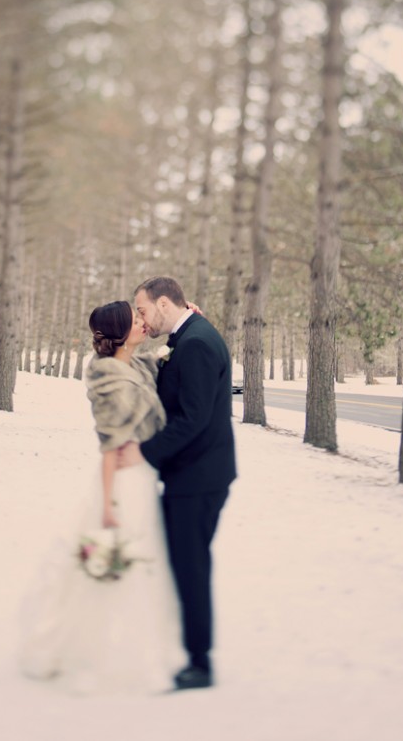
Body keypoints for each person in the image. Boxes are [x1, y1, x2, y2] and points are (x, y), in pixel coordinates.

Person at [19, 300, 182, 696]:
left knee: (143, 562)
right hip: (123, 484)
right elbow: (110, 446)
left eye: (142, 317)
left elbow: (155, 367)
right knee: (120, 559)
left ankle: (142, 643)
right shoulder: (109, 376)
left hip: (143, 478)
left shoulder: (132, 365)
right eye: (136, 320)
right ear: (121, 333)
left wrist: (177, 335)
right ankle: (98, 652)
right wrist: (108, 504)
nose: (144, 323)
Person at [119, 276, 237, 691]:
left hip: (199, 478)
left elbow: (194, 418)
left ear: (165, 304)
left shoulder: (198, 343)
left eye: (144, 309)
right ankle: (189, 650)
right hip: (190, 475)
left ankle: (200, 663)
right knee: (184, 565)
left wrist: (143, 452)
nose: (142, 318)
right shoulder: (190, 335)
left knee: (191, 568)